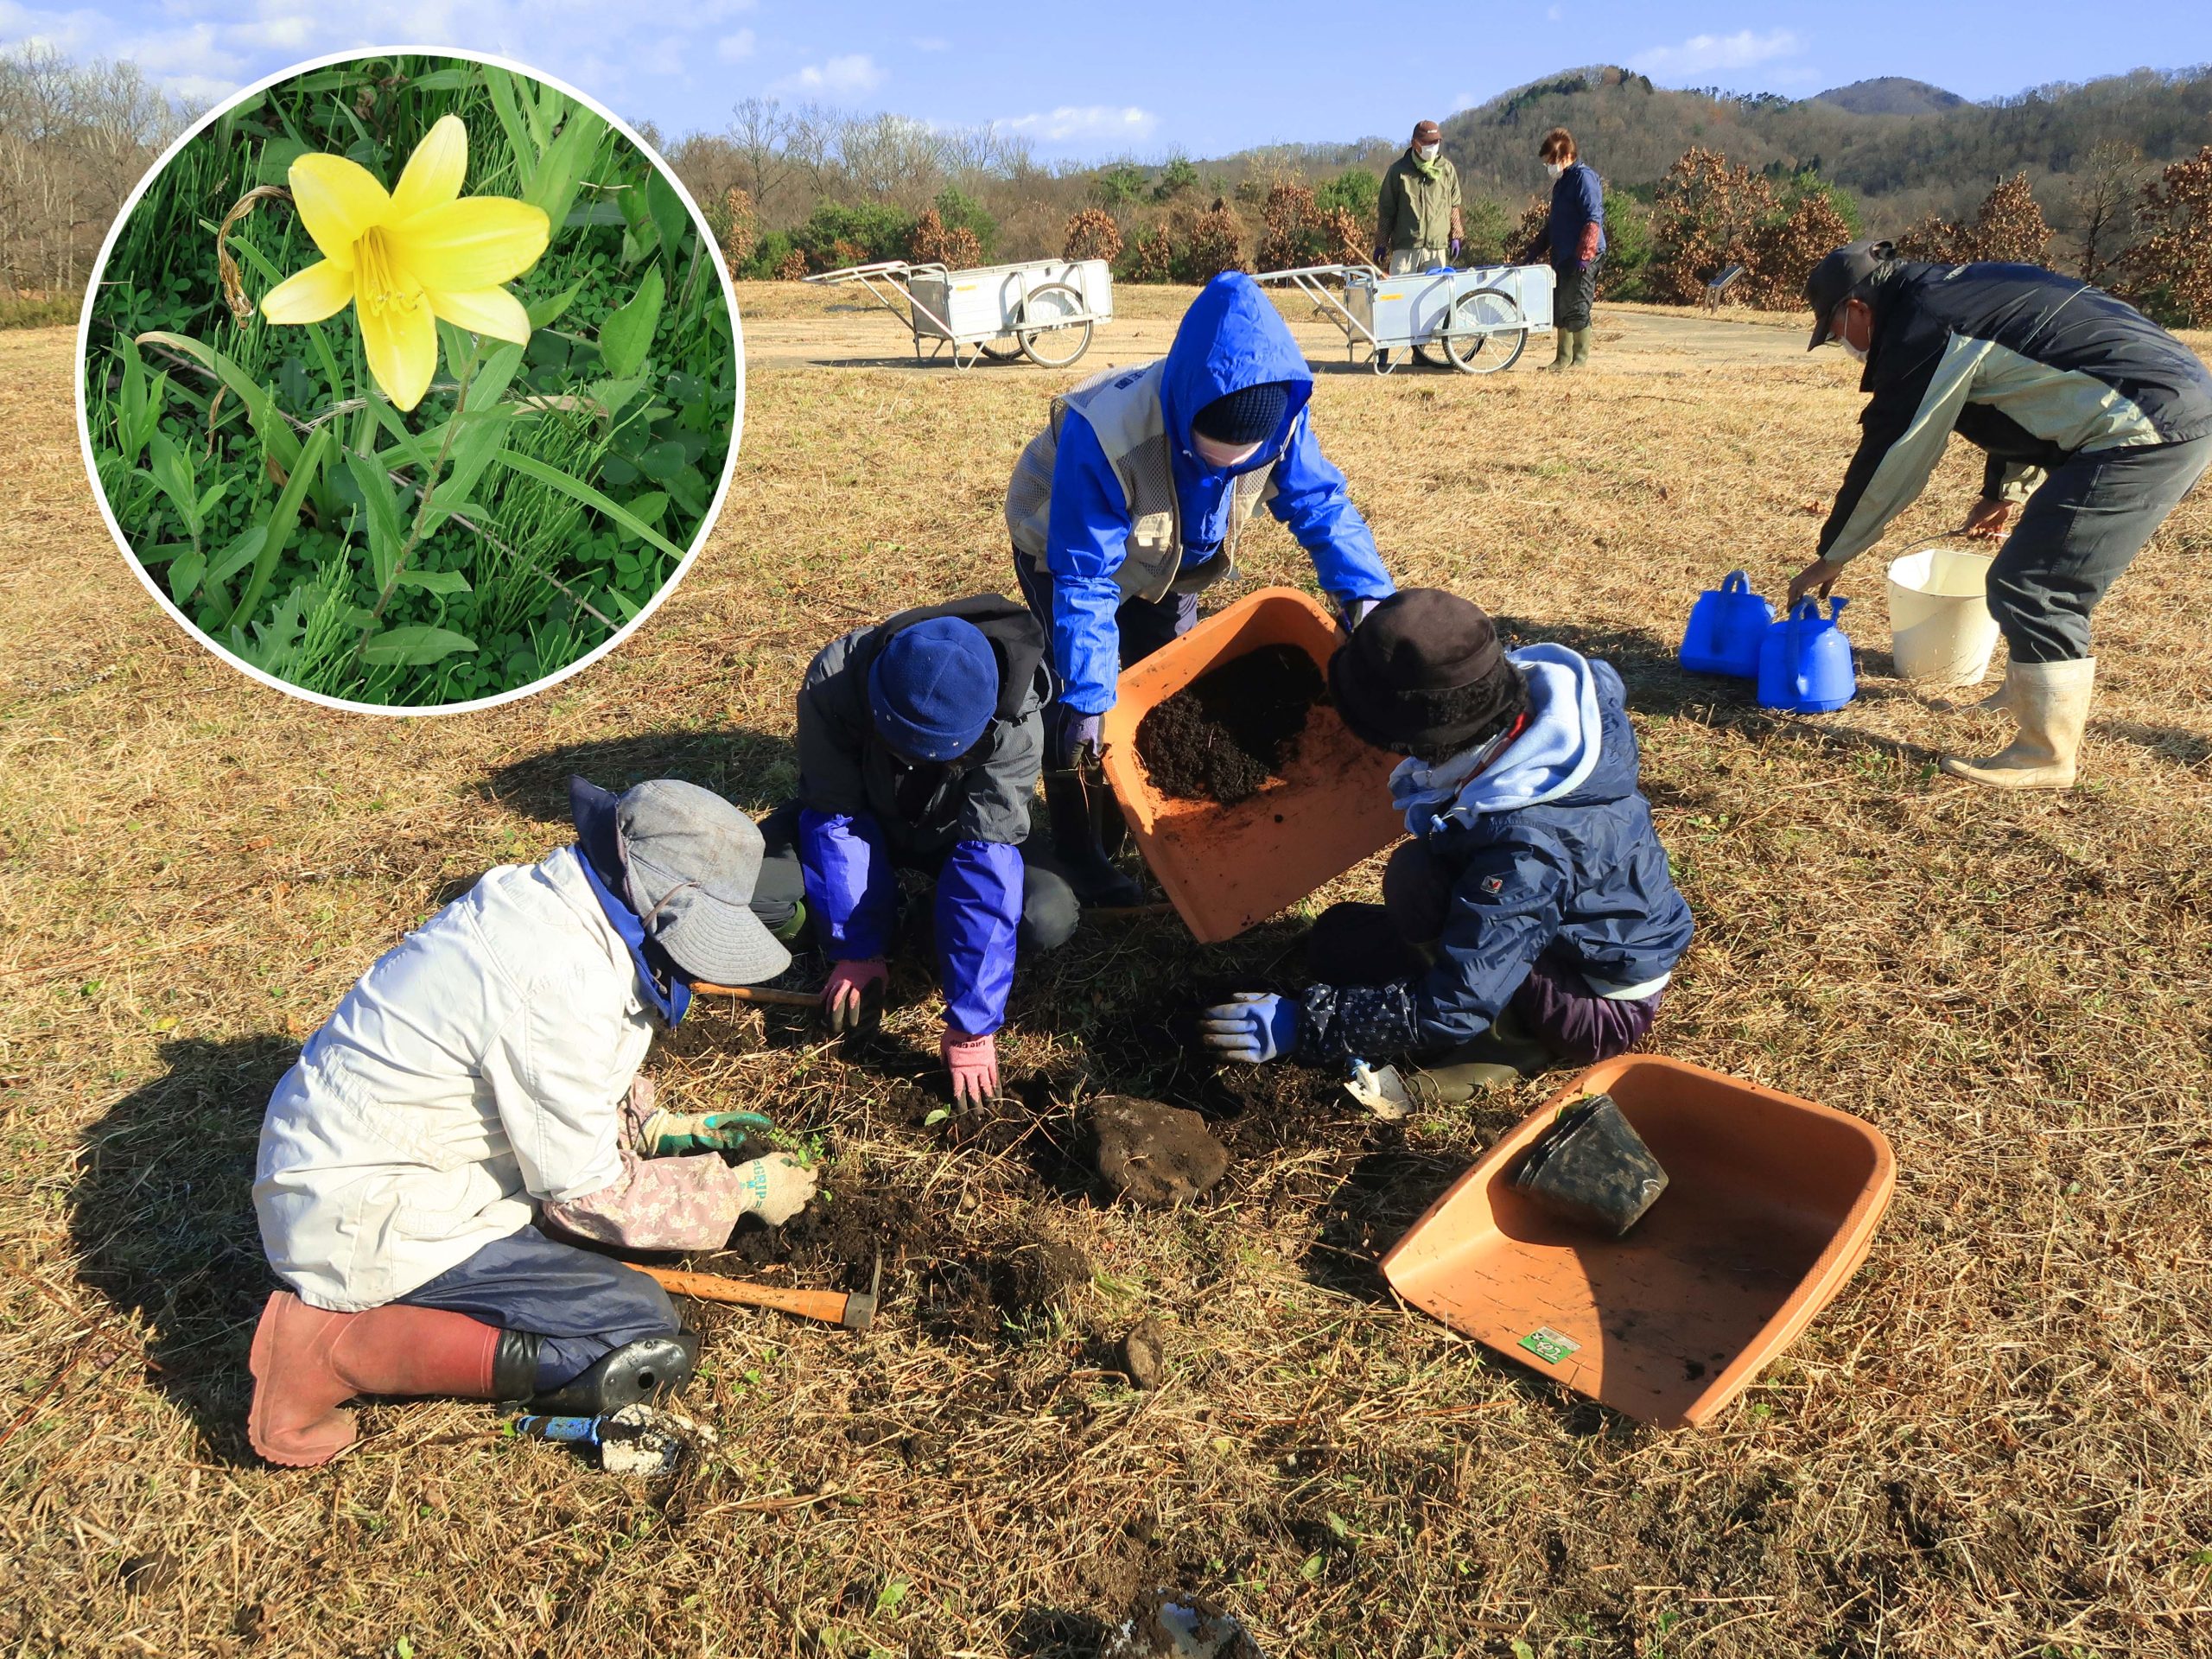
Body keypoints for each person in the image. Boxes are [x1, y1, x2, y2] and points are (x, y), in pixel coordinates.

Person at [248, 778, 818, 1468]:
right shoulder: (558, 983)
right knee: (636, 1333)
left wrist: (655, 1124)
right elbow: (588, 1197)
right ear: (667, 903)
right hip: (373, 1216)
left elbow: (552, 1074)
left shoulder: (557, 903)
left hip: (361, 1157)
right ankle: (330, 1348)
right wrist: (738, 1193)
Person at [1198, 591, 1690, 1111]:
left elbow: (1460, 1001)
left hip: (1597, 1001)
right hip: (1553, 922)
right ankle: (1478, 978)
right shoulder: (1520, 705)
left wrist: (1308, 1023)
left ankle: (1511, 1043)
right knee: (1355, 925)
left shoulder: (1528, 851)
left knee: (1453, 982)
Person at [1006, 272, 1397, 900]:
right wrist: (1087, 694)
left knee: (1164, 684)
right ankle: (1083, 848)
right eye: (1211, 456)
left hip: (1175, 555)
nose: (1230, 468)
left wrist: (1366, 595)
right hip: (1067, 554)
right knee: (1080, 699)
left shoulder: (1281, 418)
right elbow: (1086, 578)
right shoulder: (1107, 433)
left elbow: (1321, 507)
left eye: (1243, 459)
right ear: (1184, 414)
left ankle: (1147, 816)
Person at [1790, 239, 2212, 788]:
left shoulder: (1926, 326)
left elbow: (1893, 452)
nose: (1848, 347)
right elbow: (2021, 390)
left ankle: (2046, 754)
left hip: (2145, 430)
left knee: (2036, 584)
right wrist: (2002, 492)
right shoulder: (1955, 290)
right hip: (2169, 402)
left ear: (1858, 309)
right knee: (2030, 568)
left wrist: (1833, 555)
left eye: (1838, 333)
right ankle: (2023, 693)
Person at [753, 595, 1077, 1108]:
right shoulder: (836, 680)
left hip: (954, 834)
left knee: (1046, 914)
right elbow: (837, 819)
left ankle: (925, 922)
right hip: (862, 816)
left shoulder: (1018, 711)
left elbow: (987, 856)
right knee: (755, 897)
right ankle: (871, 924)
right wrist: (856, 948)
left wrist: (972, 1024)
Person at [1520, 127, 1605, 371]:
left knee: (1577, 305)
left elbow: (1593, 217)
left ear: (1567, 157)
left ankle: (1579, 360)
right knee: (1561, 306)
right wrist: (1532, 254)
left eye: (1552, 161)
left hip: (1584, 255)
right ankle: (1562, 358)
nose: (1549, 166)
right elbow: (1554, 225)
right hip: (1564, 254)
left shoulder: (1584, 178)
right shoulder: (1562, 183)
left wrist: (1586, 254)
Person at [1373, 118, 1464, 274]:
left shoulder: (1447, 170)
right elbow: (1387, 211)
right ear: (1415, 143)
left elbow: (1454, 205)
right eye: (1427, 143)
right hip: (1406, 249)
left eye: (1435, 142)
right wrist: (1381, 243)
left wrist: (1456, 236)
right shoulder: (1398, 171)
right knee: (1400, 295)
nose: (1432, 147)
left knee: (1435, 297)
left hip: (1436, 249)